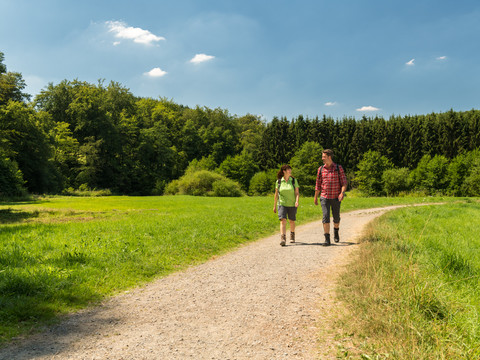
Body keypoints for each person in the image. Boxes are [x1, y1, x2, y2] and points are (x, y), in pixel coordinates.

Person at [314, 149, 347, 246]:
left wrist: (342, 193)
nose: (322, 158)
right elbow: (318, 184)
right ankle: (327, 239)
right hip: (324, 197)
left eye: (324, 157)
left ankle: (336, 231)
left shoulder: (338, 168)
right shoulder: (320, 169)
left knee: (336, 218)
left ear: (329, 157)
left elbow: (344, 182)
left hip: (336, 197)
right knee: (325, 216)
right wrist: (316, 197)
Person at [273, 164, 300, 246]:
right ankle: (283, 238)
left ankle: (292, 234)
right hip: (282, 204)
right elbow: (276, 194)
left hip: (292, 204)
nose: (290, 171)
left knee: (292, 221)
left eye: (290, 169)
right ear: (284, 171)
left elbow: (297, 193)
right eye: (288, 169)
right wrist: (274, 206)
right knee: (283, 220)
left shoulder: (293, 181)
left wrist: (297, 201)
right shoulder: (279, 181)